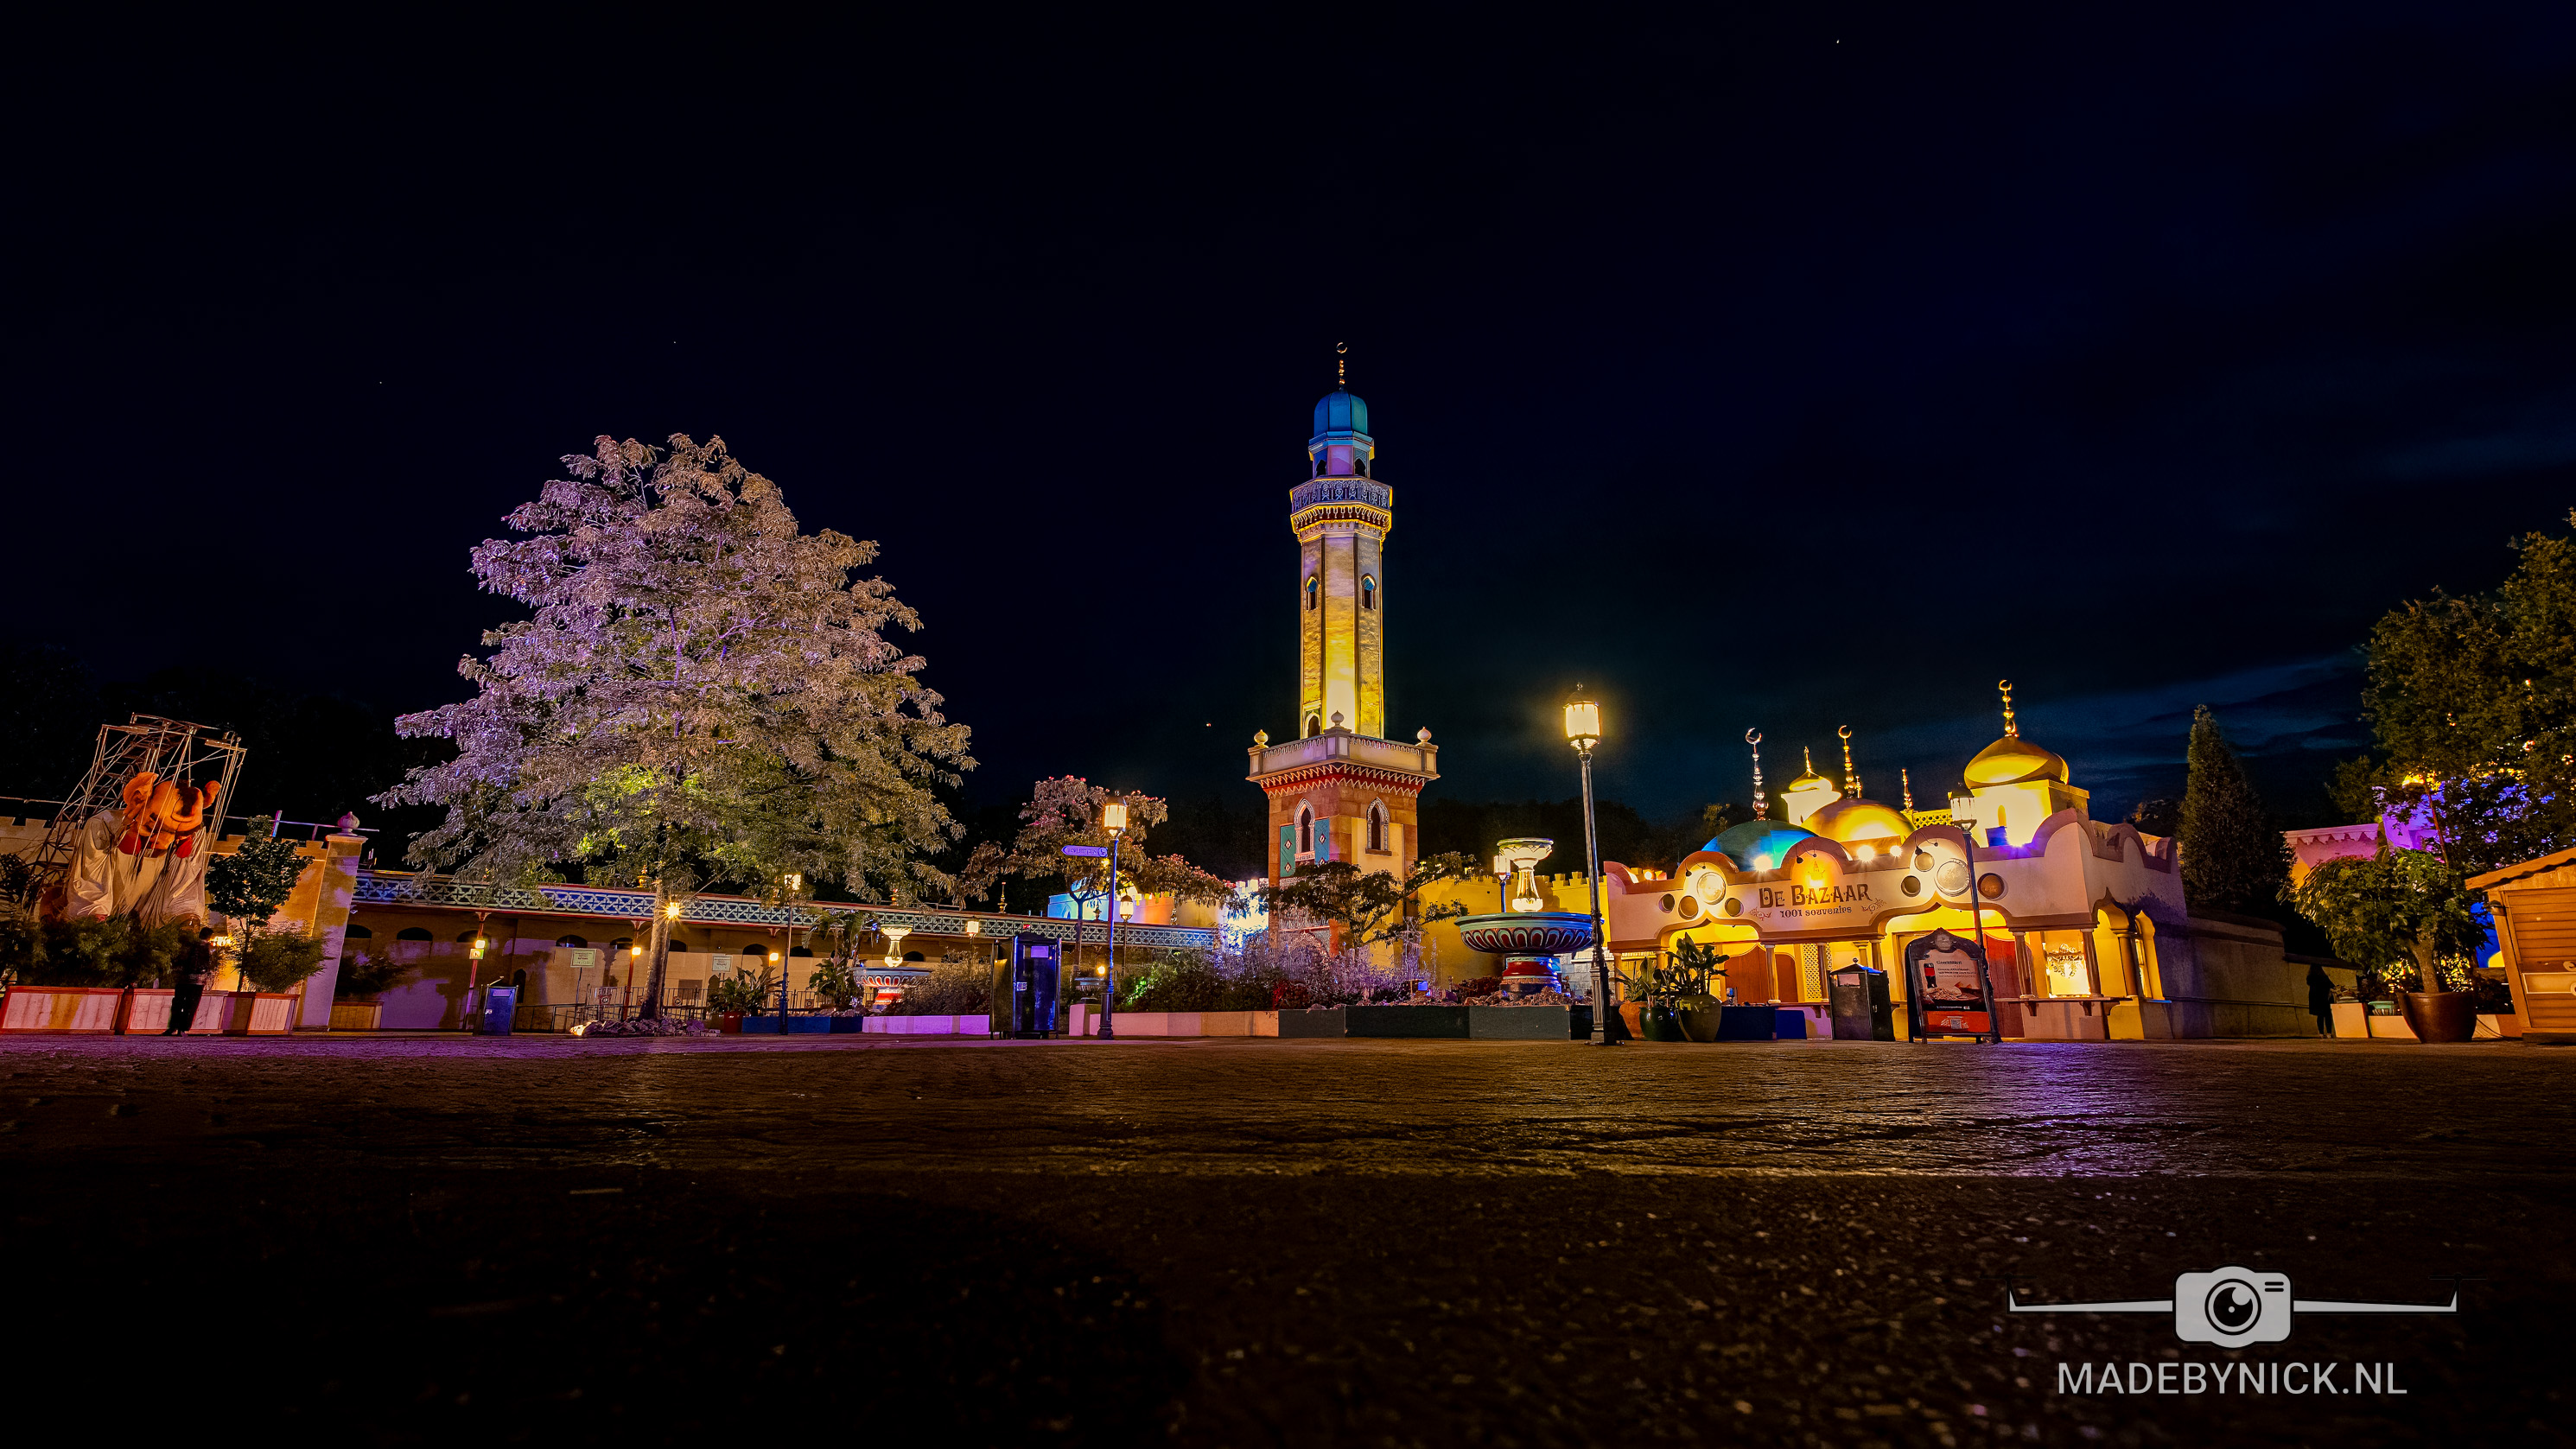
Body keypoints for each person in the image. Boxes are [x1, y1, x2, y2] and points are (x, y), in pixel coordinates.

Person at [163, 929, 216, 1036]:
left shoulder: (189, 946)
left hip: (183, 979)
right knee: (190, 1006)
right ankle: (182, 1029)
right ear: (209, 937)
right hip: (198, 981)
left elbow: (179, 960)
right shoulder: (210, 949)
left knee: (178, 1004)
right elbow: (210, 965)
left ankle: (173, 1027)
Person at [2306, 961, 2335, 1038]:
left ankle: (2321, 1033)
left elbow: (2309, 983)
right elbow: (2332, 985)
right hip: (2325, 998)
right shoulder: (2324, 977)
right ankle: (2329, 1033)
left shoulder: (2310, 977)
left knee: (2320, 1016)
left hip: (2315, 999)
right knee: (2327, 1016)